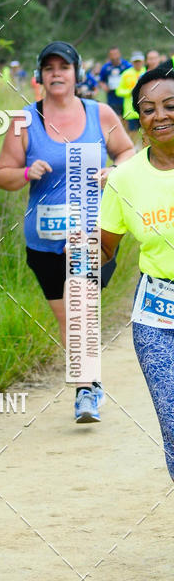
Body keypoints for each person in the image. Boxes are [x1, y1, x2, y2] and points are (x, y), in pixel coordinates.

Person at [0, 41, 135, 423]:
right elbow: (2, 175)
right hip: (43, 239)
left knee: (81, 310)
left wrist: (114, 172)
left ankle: (85, 390)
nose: (57, 73)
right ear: (39, 77)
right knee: (67, 318)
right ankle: (90, 382)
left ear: (76, 74)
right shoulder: (24, 121)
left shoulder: (100, 114)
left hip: (91, 234)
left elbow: (127, 152)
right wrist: (26, 172)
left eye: (64, 67)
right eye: (49, 68)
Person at [100, 59, 174, 477]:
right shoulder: (124, 179)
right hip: (158, 318)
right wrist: (82, 252)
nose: (159, 115)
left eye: (170, 105)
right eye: (148, 109)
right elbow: (106, 248)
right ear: (139, 120)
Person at [115, 51, 146, 137]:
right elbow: (118, 91)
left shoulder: (147, 72)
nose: (137, 63)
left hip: (145, 110)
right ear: (132, 62)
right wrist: (130, 92)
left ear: (143, 61)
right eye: (135, 61)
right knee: (133, 136)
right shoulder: (126, 74)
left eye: (139, 61)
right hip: (131, 111)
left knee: (146, 136)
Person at [99, 46, 131, 117]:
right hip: (112, 98)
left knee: (126, 119)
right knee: (116, 119)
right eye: (112, 55)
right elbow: (101, 80)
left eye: (116, 54)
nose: (114, 57)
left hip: (125, 98)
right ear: (109, 56)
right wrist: (104, 86)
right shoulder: (105, 67)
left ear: (119, 54)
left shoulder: (127, 65)